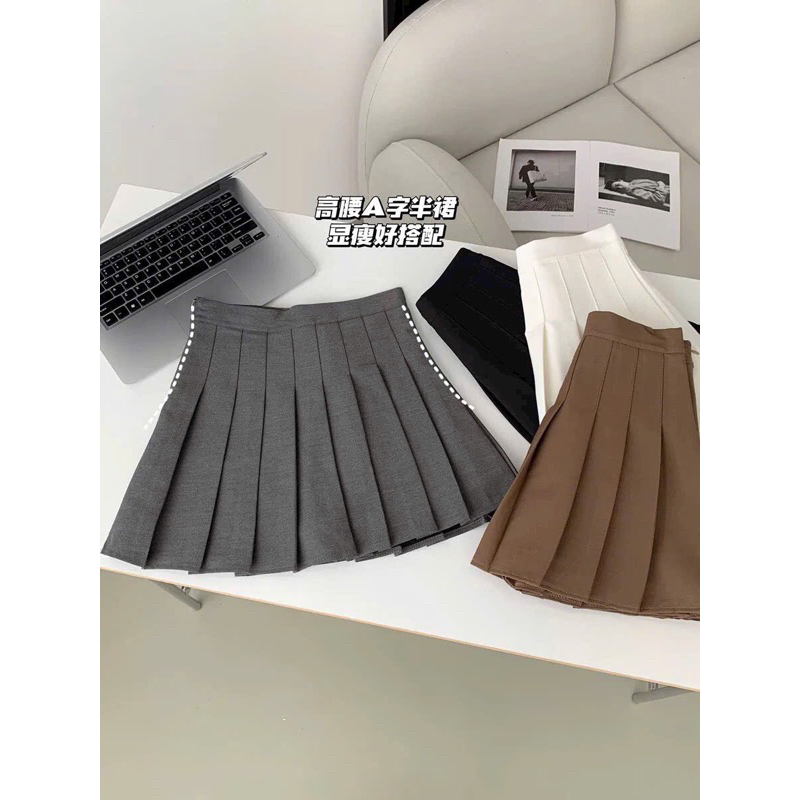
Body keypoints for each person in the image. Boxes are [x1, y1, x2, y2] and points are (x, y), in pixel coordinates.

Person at [605, 177, 670, 209]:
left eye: (617, 185)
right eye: (617, 189)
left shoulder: (635, 181)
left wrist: (660, 184)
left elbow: (654, 183)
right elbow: (658, 199)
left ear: (621, 181)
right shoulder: (632, 190)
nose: (620, 187)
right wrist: (661, 184)